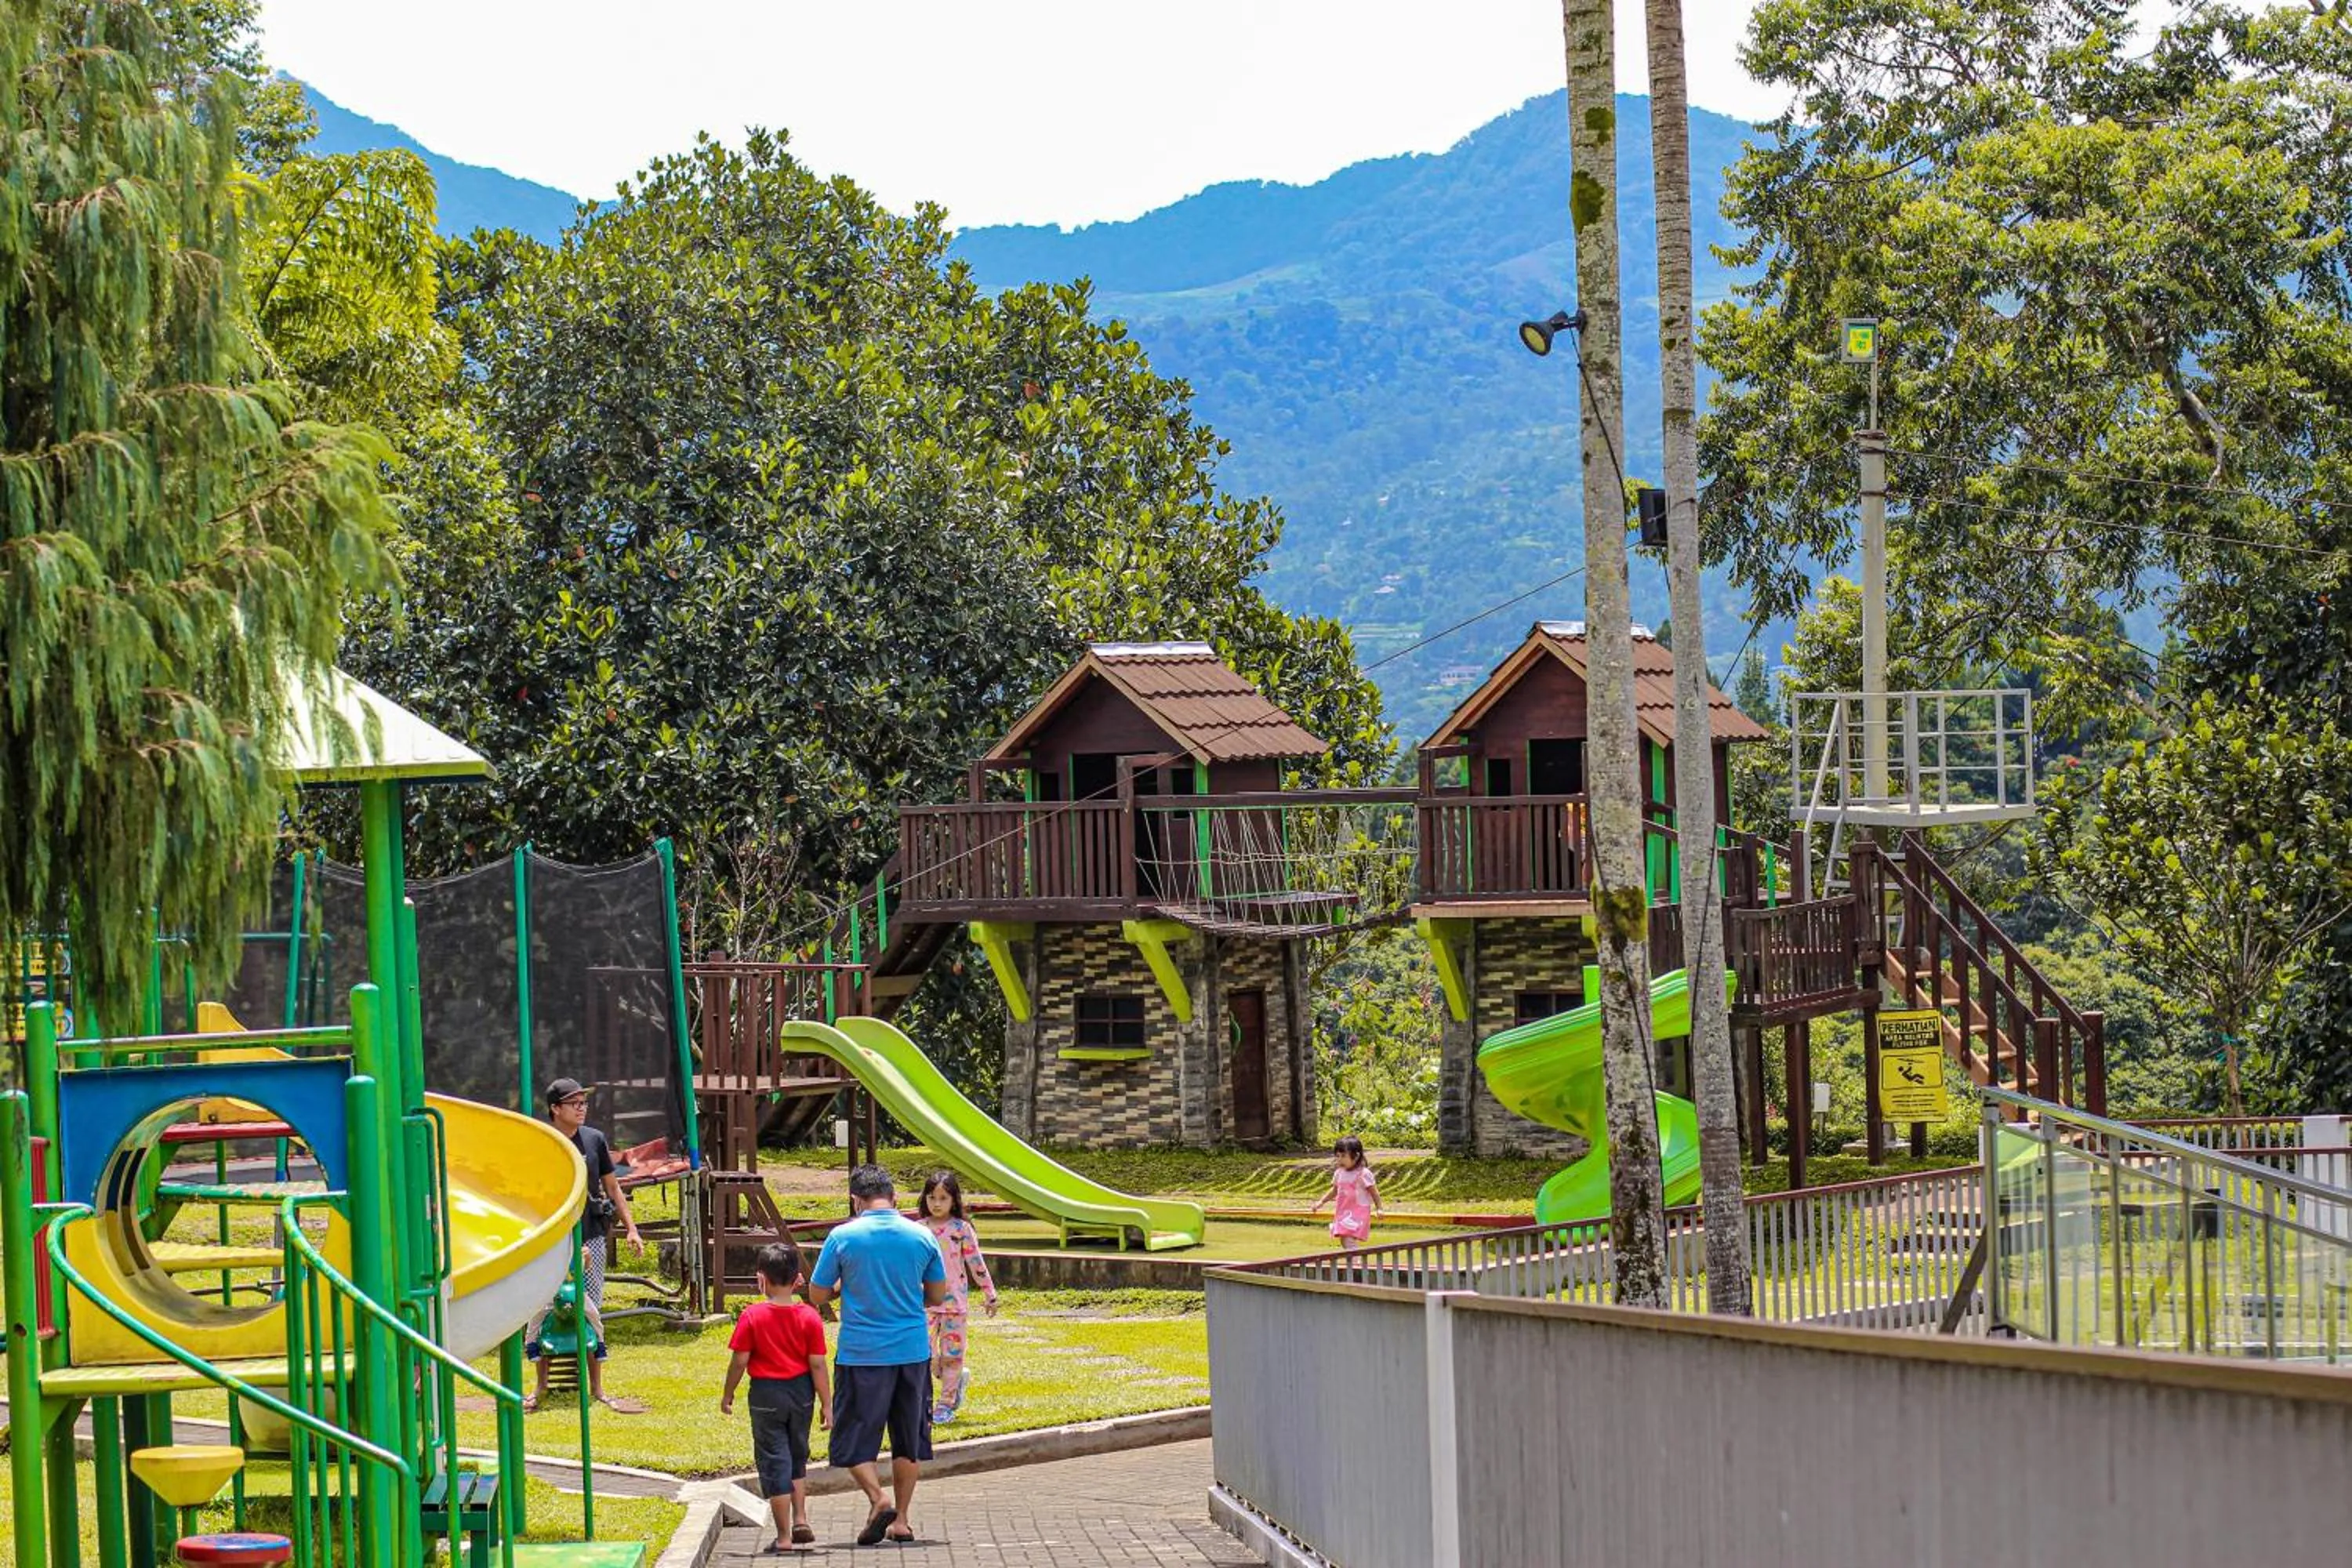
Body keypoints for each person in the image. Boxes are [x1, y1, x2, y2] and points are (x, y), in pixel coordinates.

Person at [808, 1163, 946, 1547]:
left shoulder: (843, 1237)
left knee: (851, 1438)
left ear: (856, 1200)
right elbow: (936, 1295)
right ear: (894, 1197)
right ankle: (901, 1520)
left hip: (861, 1353)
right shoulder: (921, 1236)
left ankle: (877, 1497)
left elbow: (818, 1295)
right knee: (909, 1439)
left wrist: (841, 1287)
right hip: (911, 1351)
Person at [525, 1076, 644, 1412]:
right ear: (555, 1109)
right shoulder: (543, 1141)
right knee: (544, 1308)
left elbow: (613, 1187)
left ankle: (597, 1387)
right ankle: (540, 1386)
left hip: (590, 1232)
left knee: (590, 1310)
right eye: (575, 1104)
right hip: (553, 1240)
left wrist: (631, 1228)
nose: (582, 1109)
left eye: (584, 1103)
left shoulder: (594, 1140)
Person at [720, 1242, 832, 1553]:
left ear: (761, 1280)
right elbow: (818, 1364)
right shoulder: (809, 1316)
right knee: (797, 1456)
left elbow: (740, 1360)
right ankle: (801, 1519)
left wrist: (728, 1394)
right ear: (798, 1279)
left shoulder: (753, 1315)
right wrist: (827, 1403)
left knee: (774, 1461)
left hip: (766, 1393)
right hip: (802, 1393)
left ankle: (783, 1537)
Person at [915, 1171, 998, 1424]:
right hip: (925, 1303)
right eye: (932, 1197)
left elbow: (976, 1262)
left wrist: (989, 1294)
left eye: (943, 1198)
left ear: (954, 1200)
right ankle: (943, 1387)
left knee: (952, 1355)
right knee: (925, 1354)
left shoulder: (962, 1229)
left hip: (954, 1306)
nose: (937, 1203)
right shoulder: (917, 1230)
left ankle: (945, 1403)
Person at [1309, 1134, 1381, 1250]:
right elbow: (1334, 1190)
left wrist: (1379, 1208)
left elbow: (1374, 1193)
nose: (1339, 1160)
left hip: (1358, 1211)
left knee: (1348, 1239)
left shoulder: (1364, 1174)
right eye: (1337, 1156)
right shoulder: (1339, 1173)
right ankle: (1353, 1262)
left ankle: (1355, 1264)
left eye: (1343, 1156)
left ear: (1356, 1156)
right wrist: (1321, 1202)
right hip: (1343, 1211)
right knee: (1344, 1238)